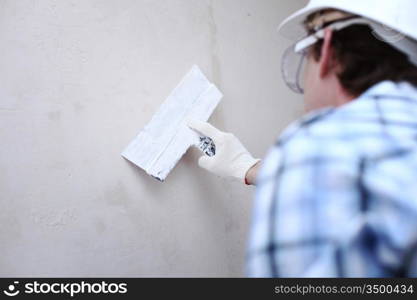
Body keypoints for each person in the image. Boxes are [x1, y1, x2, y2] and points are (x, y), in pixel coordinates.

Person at [188, 0, 417, 277]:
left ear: (328, 47)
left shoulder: (317, 140)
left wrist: (293, 159)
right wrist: (246, 167)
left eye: (306, 55)